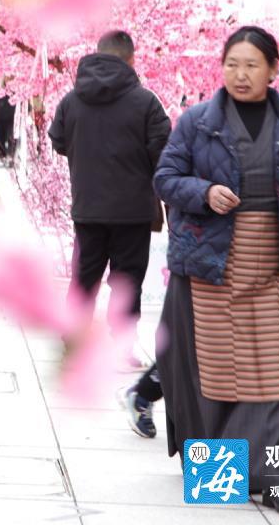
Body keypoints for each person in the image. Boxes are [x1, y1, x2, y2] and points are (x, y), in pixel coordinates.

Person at [153, 25, 279, 516]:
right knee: (220, 372)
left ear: (273, 70)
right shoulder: (196, 122)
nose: (241, 74)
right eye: (232, 64)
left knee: (271, 374)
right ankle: (218, 478)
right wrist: (203, 193)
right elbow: (165, 177)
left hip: (273, 259)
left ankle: (275, 482)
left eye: (251, 65)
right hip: (212, 260)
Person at [49, 31, 171, 355]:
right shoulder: (146, 102)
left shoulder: (71, 100)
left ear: (98, 54)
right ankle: (123, 347)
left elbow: (58, 140)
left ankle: (73, 341)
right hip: (132, 210)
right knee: (127, 280)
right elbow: (164, 153)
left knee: (84, 277)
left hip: (87, 206)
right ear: (131, 60)